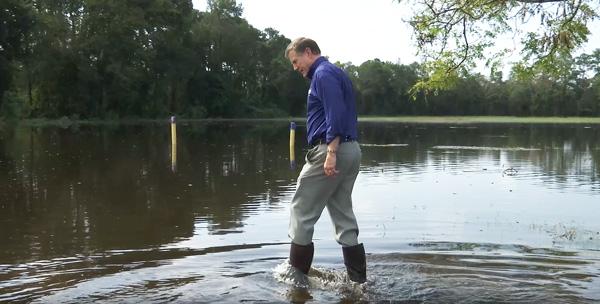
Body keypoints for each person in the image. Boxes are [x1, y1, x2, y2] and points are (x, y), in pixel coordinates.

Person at [284, 37, 366, 283]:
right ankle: (358, 285)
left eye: (296, 61)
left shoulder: (323, 74)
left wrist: (331, 153)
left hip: (332, 150)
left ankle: (295, 280)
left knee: (301, 210)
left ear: (308, 52)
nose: (295, 67)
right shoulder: (336, 73)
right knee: (342, 215)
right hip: (351, 150)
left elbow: (335, 113)